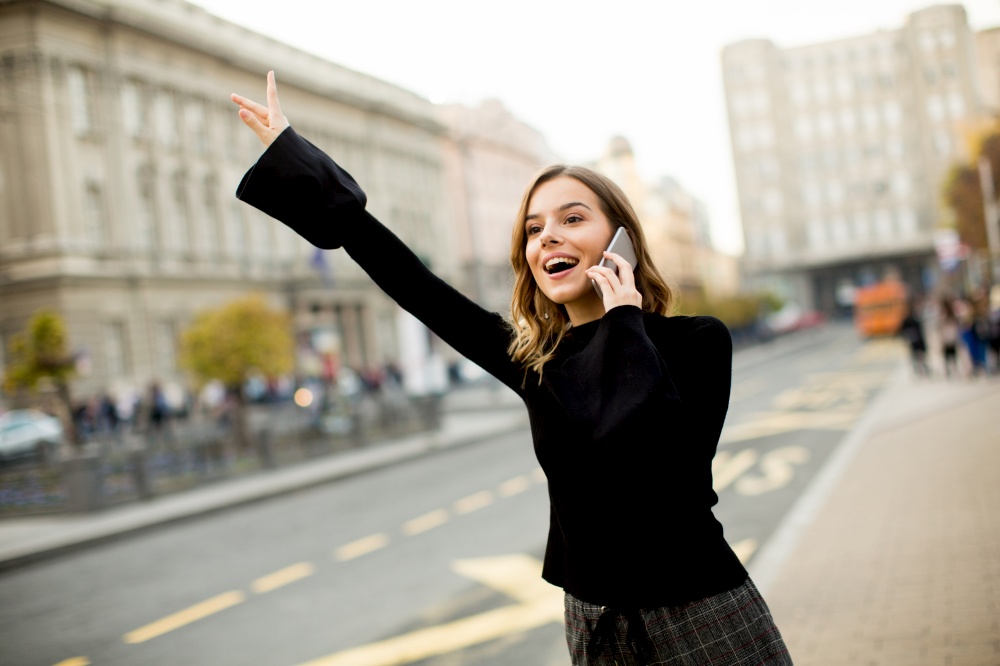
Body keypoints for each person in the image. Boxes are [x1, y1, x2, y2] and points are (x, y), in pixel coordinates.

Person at [231, 72, 791, 665]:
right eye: (533, 229)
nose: (548, 236)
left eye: (572, 219)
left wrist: (623, 319)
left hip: (701, 609)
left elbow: (661, 463)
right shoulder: (537, 364)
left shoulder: (697, 341)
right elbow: (414, 284)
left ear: (620, 238)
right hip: (595, 620)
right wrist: (298, 157)